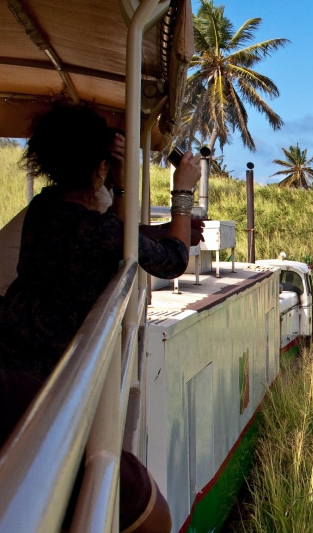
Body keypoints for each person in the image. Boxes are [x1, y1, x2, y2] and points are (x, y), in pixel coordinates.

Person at [0, 104, 201, 533]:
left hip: (10, 360)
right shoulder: (97, 231)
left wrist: (130, 197)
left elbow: (112, 231)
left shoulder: (43, 208)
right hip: (47, 388)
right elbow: (174, 260)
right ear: (101, 167)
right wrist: (182, 193)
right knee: (153, 518)